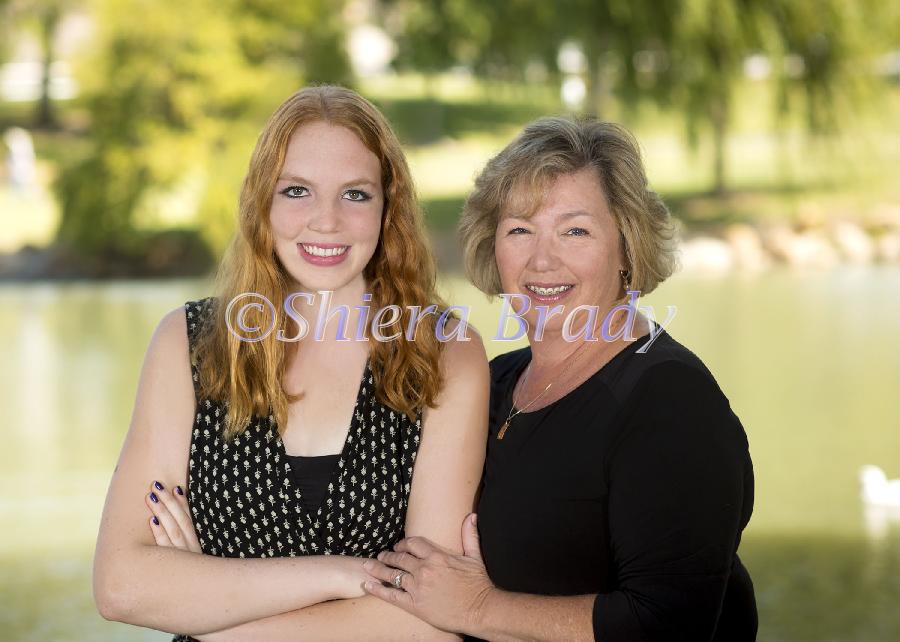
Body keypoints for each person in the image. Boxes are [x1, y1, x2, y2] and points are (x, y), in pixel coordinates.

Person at [92, 85, 489, 641]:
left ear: (388, 207)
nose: (326, 221)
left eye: (355, 195)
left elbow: (429, 624)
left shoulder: (444, 352)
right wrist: (343, 574)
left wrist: (208, 614)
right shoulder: (189, 343)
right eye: (297, 191)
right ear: (262, 203)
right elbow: (120, 586)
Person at [363, 116, 758, 641]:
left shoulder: (670, 402)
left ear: (627, 248)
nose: (542, 260)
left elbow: (669, 626)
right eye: (520, 230)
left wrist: (478, 608)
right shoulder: (494, 381)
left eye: (575, 231)